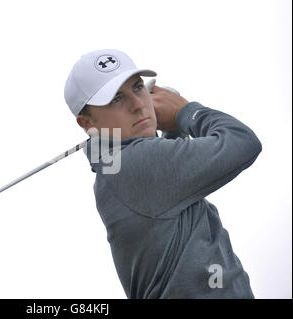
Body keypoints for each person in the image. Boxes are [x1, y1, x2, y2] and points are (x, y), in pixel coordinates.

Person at [63, 49, 262, 298]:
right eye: (116, 99)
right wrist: (185, 112)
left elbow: (173, 178)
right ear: (87, 124)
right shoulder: (134, 165)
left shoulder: (117, 166)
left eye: (137, 88)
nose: (137, 105)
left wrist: (171, 128)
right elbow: (242, 142)